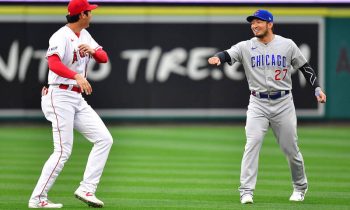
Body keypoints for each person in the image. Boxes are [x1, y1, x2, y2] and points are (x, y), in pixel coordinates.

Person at [208, 9, 326, 204]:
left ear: (270, 24)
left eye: (259, 22)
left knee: (291, 148)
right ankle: (246, 191)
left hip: (283, 103)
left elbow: (305, 67)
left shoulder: (287, 45)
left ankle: (300, 187)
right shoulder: (246, 47)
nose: (254, 25)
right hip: (257, 103)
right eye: (252, 23)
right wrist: (218, 58)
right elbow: (228, 54)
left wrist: (317, 88)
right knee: (251, 144)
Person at [28, 0, 113, 208]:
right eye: (89, 12)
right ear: (82, 15)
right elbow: (54, 63)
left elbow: (103, 57)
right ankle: (37, 199)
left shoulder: (84, 35)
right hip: (59, 95)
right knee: (63, 151)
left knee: (104, 139)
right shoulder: (60, 36)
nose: (92, 14)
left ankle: (87, 189)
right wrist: (77, 76)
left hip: (76, 98)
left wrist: (92, 51)